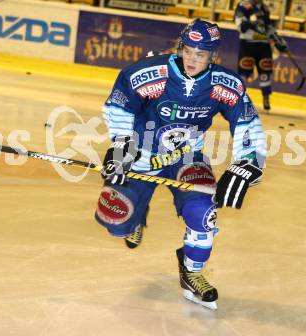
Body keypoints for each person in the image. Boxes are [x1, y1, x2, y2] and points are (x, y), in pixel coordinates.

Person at [97, 19, 267, 310]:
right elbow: (119, 106)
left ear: (213, 56)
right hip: (142, 155)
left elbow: (247, 122)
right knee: (117, 219)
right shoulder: (149, 73)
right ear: (181, 47)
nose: (192, 59)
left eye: (201, 54)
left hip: (187, 157)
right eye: (188, 50)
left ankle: (192, 272)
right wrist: (122, 145)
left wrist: (247, 163)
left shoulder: (225, 85)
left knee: (204, 213)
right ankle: (137, 215)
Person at [234, 0, 287, 111]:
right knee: (245, 71)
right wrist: (250, 22)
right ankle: (237, 98)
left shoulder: (265, 8)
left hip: (263, 44)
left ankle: (266, 97)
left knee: (265, 70)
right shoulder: (243, 6)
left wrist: (276, 38)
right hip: (248, 43)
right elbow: (241, 27)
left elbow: (268, 27)